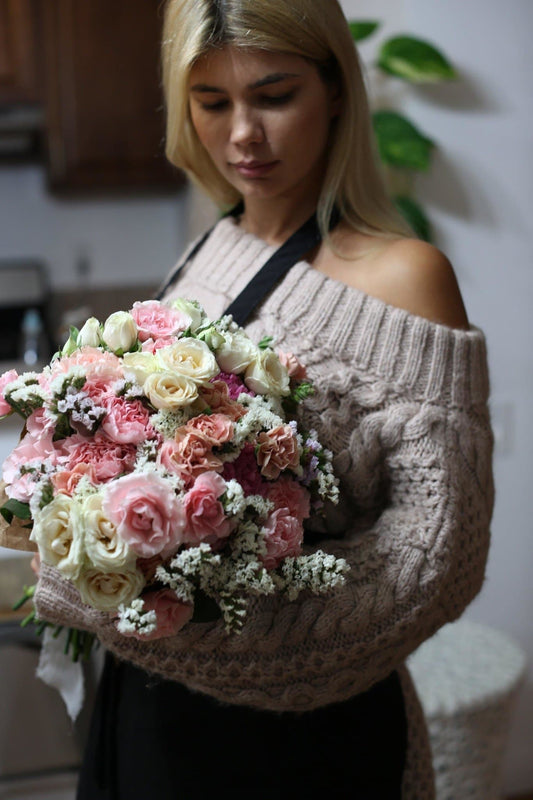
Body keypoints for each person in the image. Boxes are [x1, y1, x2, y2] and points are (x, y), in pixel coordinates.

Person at [34, 1, 494, 798]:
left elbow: (429, 572)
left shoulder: (406, 280)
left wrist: (111, 605)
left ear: (338, 92)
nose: (243, 133)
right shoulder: (211, 244)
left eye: (274, 96)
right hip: (148, 719)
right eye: (212, 102)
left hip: (300, 746)